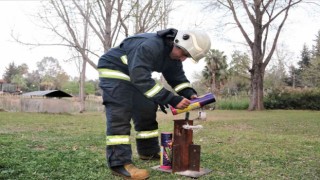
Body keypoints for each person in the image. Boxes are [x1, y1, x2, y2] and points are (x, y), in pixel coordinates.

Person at [97, 28, 211, 179]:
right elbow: (140, 78)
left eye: (187, 57)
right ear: (177, 43)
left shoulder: (173, 57)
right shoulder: (150, 46)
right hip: (115, 70)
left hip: (135, 74)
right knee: (120, 113)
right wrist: (172, 99)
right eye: (184, 54)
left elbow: (177, 78)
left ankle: (148, 151)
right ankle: (119, 163)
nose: (183, 59)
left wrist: (190, 93)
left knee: (147, 107)